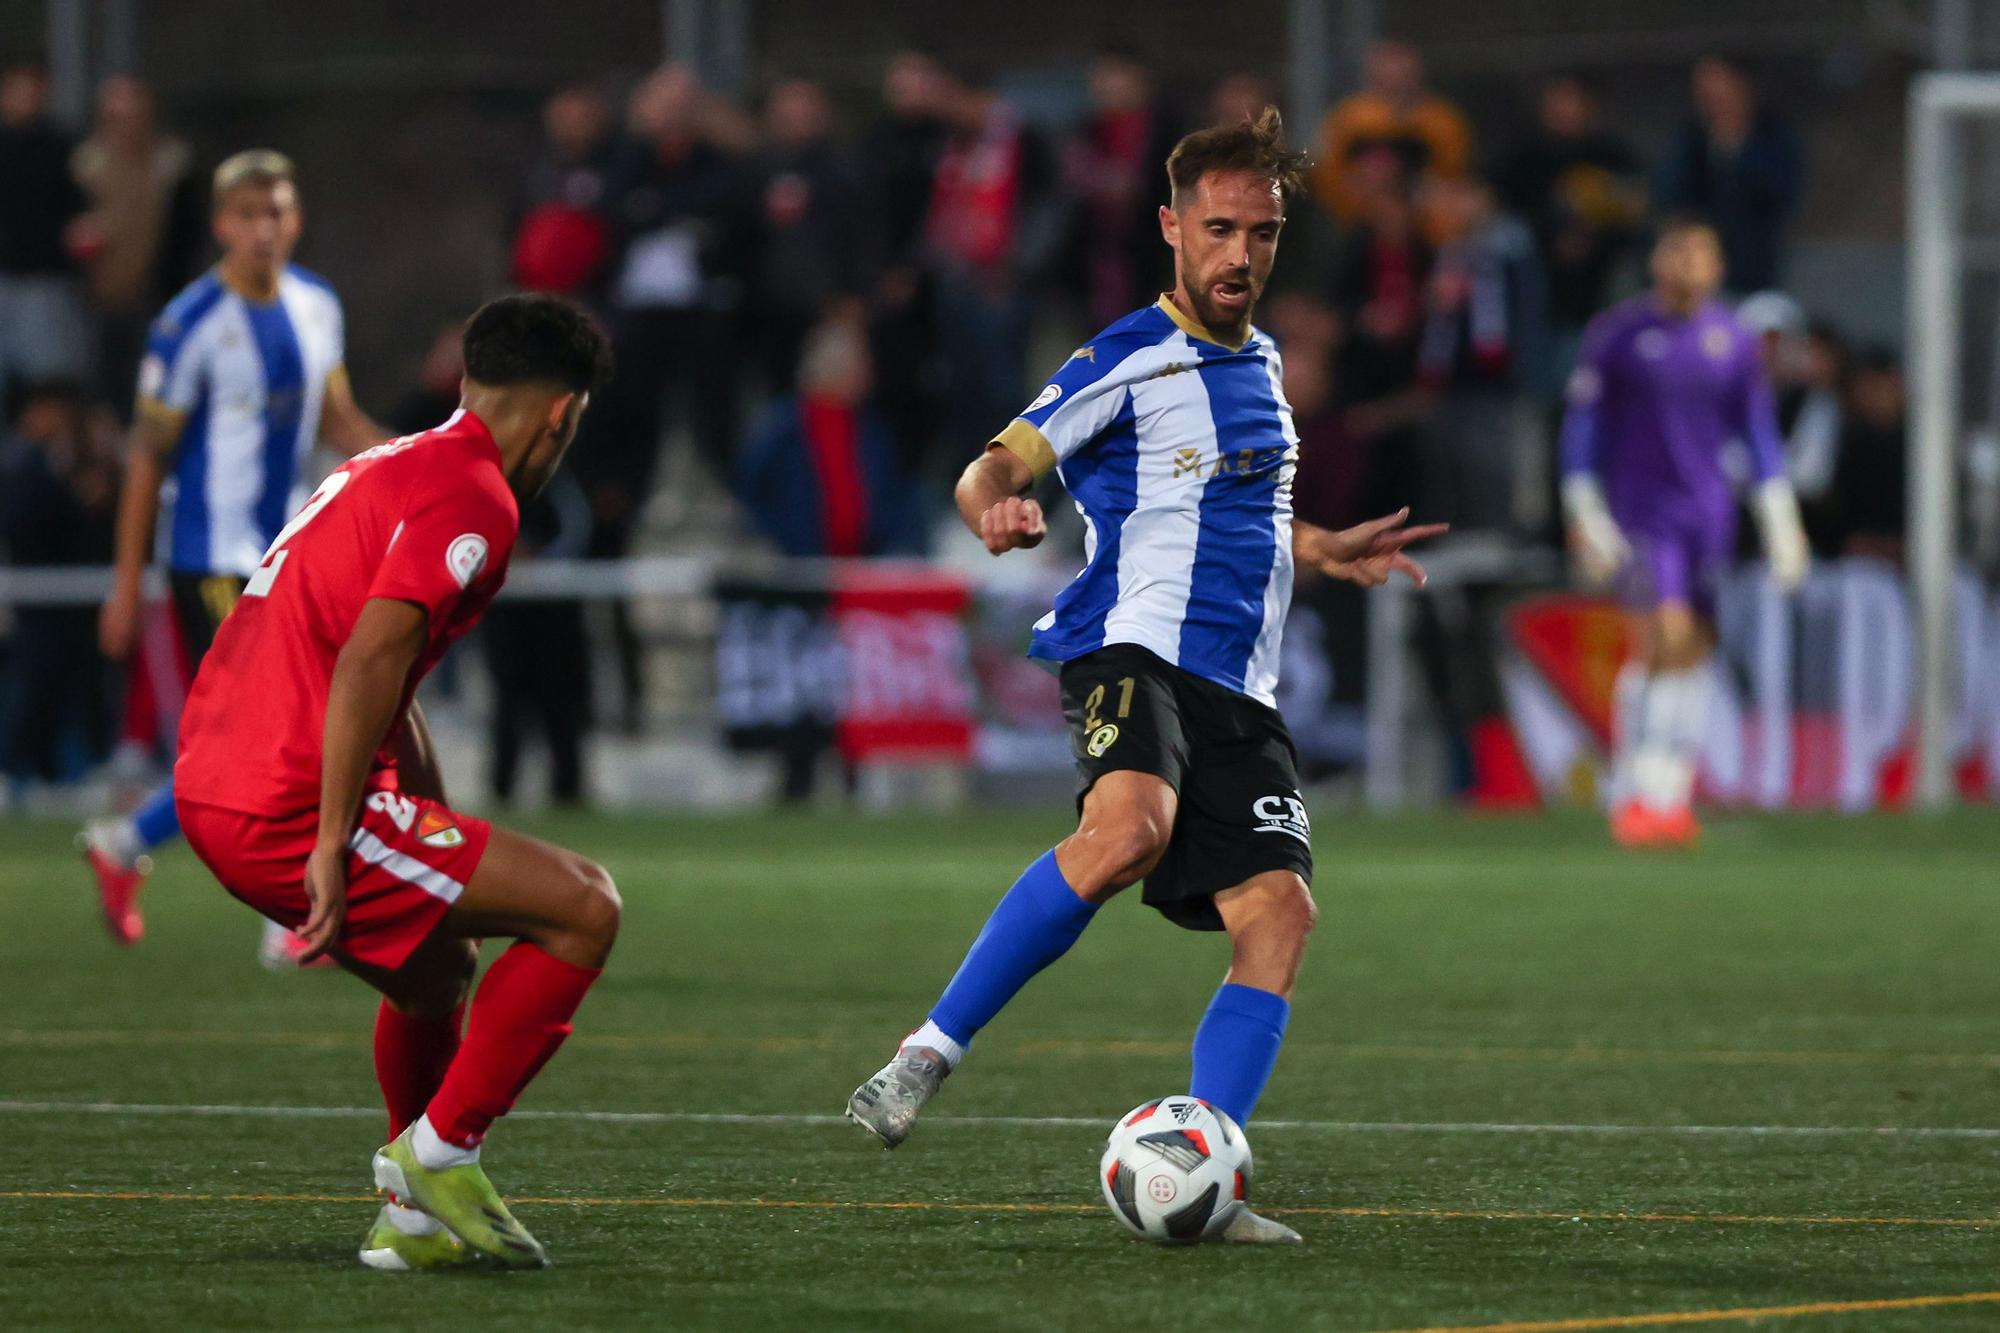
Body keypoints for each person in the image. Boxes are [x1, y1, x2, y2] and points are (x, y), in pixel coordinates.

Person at [844, 109, 1443, 1245]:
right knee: (1128, 830)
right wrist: (997, 509)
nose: (1238, 257)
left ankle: (1201, 1167)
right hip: (1130, 647)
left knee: (1278, 912)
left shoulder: (1262, 364)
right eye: (1217, 230)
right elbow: (997, 459)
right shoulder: (1126, 354)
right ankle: (924, 1054)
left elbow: (1243, 507)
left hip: (1239, 688)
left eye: (1259, 235)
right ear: (1170, 227)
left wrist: (1319, 548)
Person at [174, 294, 618, 1271]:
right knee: (586, 908)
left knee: (436, 972)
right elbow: (371, 659)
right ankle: (435, 1156)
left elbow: (387, 668)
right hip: (285, 795)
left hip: (215, 779)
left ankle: (409, 1228)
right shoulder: (479, 498)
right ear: (560, 414)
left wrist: (426, 814)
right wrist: (334, 836)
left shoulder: (390, 461)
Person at [79, 150, 389, 955]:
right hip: (209, 557)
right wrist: (126, 583)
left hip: (284, 552)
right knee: (284, 730)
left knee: (260, 743)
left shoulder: (317, 305)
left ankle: (124, 843)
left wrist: (426, 462)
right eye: (247, 215)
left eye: (276, 212)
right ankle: (289, 916)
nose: (263, 229)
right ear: (221, 224)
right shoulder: (190, 323)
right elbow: (146, 457)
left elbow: (338, 417)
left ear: (296, 218)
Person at [1559, 219, 1809, 848]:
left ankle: (1670, 791)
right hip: (1642, 513)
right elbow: (1583, 426)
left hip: (1709, 516)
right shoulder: (1620, 334)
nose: (1689, 263)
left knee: (1694, 647)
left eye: (1701, 251)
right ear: (1656, 261)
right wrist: (1584, 507)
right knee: (1662, 636)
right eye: (1677, 249)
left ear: (1719, 265)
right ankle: (1637, 789)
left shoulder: (1733, 340)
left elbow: (1756, 433)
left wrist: (1780, 519)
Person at [66, 75, 205, 413]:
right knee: (100, 393)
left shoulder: (171, 163)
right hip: (97, 300)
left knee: (158, 393)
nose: (125, 126)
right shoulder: (85, 166)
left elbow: (189, 230)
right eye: (116, 117)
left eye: (133, 116)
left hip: (157, 298)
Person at [1657, 57, 1802, 295]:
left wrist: (1736, 152)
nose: (1712, 99)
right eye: (1704, 91)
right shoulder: (1690, 140)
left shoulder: (1774, 136)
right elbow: (1671, 197)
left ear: (1742, 86)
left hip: (1755, 274)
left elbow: (1781, 194)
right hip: (1698, 279)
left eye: (1719, 87)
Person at [0, 63, 90, 406]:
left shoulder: (61, 145)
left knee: (48, 379)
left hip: (45, 279)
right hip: (4, 275)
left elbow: (78, 209)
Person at [1311, 40, 1472, 227]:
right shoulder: (1349, 118)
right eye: (1388, 78)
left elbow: (1453, 174)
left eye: (1403, 76)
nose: (1396, 85)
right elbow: (1329, 174)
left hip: (1423, 217)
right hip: (1357, 218)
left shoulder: (1440, 119)